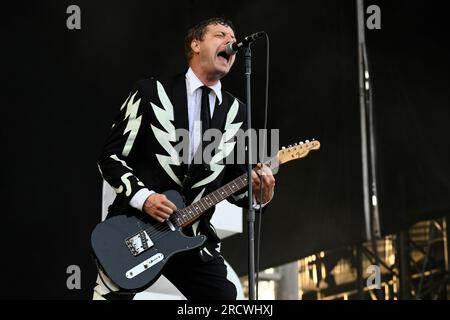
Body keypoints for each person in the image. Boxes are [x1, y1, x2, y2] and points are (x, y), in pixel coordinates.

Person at [93, 17, 275, 300]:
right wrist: (146, 198)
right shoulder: (150, 93)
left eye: (233, 36)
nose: (231, 42)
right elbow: (111, 157)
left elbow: (236, 183)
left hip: (191, 238)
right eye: (220, 34)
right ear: (195, 44)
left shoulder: (237, 113)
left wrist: (260, 195)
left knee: (226, 299)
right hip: (135, 228)